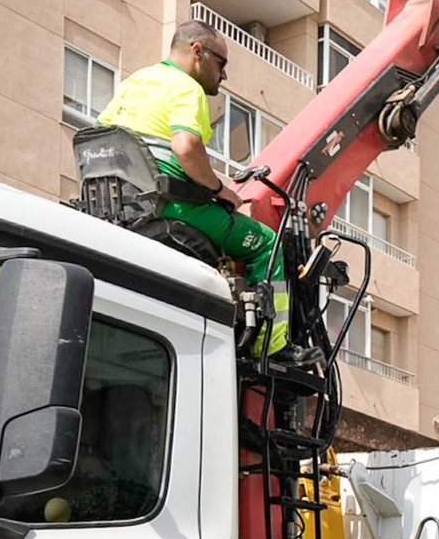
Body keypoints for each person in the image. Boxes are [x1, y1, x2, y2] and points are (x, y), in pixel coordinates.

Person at [97, 21, 319, 366]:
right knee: (266, 243)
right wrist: (219, 189)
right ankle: (272, 347)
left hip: (120, 205)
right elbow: (186, 147)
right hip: (170, 205)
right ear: (197, 52)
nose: (224, 74)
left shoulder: (134, 83)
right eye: (221, 62)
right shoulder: (186, 88)